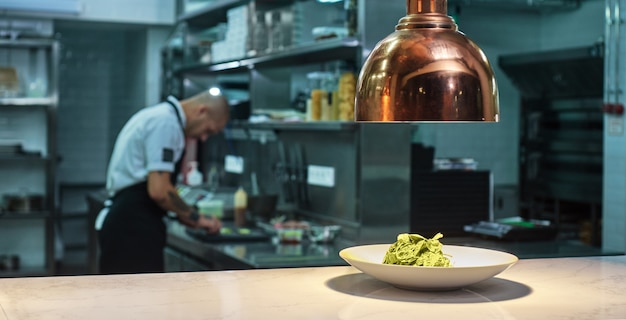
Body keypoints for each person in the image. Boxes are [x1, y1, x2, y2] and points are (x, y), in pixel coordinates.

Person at [97, 87, 229, 274]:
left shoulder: (162, 117)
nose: (203, 137)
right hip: (132, 227)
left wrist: (185, 215)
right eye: (208, 130)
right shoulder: (166, 124)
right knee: (136, 300)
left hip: (132, 223)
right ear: (202, 111)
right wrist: (196, 218)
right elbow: (160, 191)